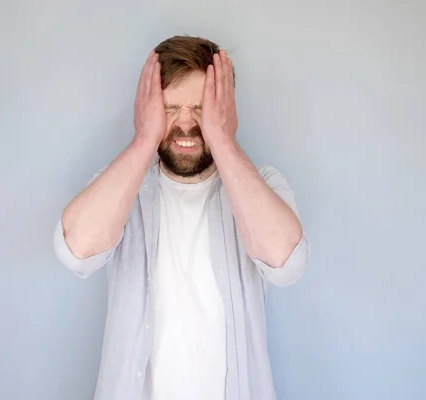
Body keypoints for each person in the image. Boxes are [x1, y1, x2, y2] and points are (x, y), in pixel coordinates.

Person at [53, 35, 310, 400]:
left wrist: (222, 139)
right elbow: (75, 251)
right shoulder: (122, 190)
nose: (186, 123)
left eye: (201, 107)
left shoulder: (264, 184)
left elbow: (287, 263)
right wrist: (144, 138)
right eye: (171, 107)